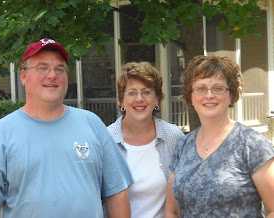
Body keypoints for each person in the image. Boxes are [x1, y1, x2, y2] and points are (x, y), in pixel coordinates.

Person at [0, 38, 134, 218]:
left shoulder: (92, 124)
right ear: (23, 76)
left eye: (60, 69)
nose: (52, 75)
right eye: (42, 68)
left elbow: (117, 192)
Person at [165, 55, 274, 217]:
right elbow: (172, 211)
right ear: (191, 96)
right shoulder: (183, 145)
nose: (209, 95)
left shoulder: (252, 144)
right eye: (200, 89)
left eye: (218, 88)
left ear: (231, 95)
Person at [107, 62, 184, 218]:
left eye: (146, 92)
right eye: (132, 92)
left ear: (157, 99)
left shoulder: (173, 137)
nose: (139, 99)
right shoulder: (105, 140)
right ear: (122, 101)